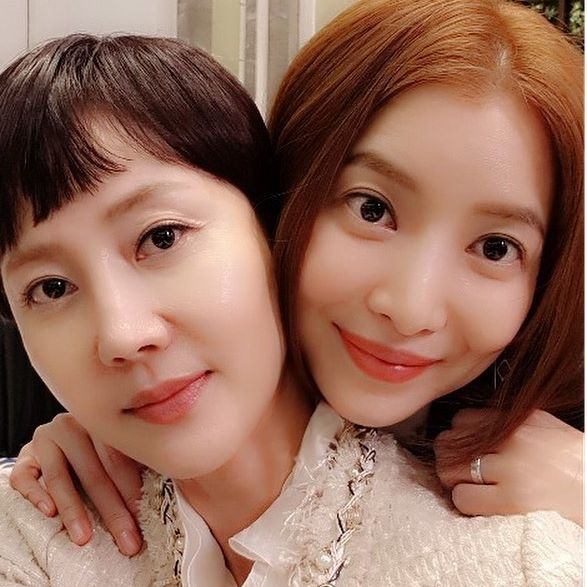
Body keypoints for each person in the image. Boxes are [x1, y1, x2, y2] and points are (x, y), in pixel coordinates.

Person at [1, 0, 583, 583]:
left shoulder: (521, 548)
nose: (411, 310)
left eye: (496, 248)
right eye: (371, 209)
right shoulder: (51, 518)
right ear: (282, 199)